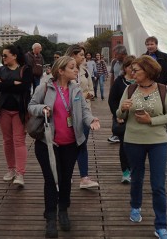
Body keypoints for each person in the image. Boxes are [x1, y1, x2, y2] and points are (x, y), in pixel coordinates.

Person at [28, 56, 100, 238]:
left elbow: (84, 110)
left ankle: (63, 211)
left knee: (66, 179)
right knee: (52, 180)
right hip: (48, 144)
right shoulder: (44, 87)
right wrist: (43, 108)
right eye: (72, 67)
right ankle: (51, 217)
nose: (76, 70)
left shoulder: (76, 89)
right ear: (60, 71)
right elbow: (31, 106)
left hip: (71, 144)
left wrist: (91, 120)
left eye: (76, 67)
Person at [117, 55, 167, 239]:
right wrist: (123, 109)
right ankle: (135, 205)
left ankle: (161, 226)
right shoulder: (129, 89)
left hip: (158, 141)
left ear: (148, 71)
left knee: (158, 185)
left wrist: (152, 121)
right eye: (132, 70)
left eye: (136, 70)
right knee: (137, 178)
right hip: (133, 140)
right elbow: (119, 115)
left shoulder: (162, 89)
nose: (132, 72)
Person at [0, 45, 33, 186]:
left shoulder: (25, 70)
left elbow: (25, 87)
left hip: (19, 111)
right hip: (3, 110)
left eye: (5, 55)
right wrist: (12, 83)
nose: (3, 58)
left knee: (19, 141)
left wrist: (4, 84)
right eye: (2, 55)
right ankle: (11, 169)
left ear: (14, 56)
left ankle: (20, 173)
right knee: (7, 141)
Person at [65, 44, 98, 189]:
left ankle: (84, 177)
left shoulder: (85, 71)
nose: (84, 58)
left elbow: (91, 90)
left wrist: (86, 94)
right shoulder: (63, 71)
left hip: (85, 112)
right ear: (73, 55)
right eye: (81, 55)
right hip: (67, 113)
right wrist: (81, 96)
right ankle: (66, 174)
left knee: (82, 144)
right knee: (67, 144)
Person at [108, 55, 135, 183]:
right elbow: (112, 100)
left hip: (139, 119)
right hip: (123, 119)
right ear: (125, 68)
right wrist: (117, 115)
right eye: (130, 67)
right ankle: (125, 171)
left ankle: (135, 168)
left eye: (135, 67)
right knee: (124, 146)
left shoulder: (142, 81)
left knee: (137, 146)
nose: (133, 69)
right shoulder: (119, 81)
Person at [108, 44, 128, 143]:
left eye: (116, 54)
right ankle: (116, 133)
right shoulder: (114, 62)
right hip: (117, 89)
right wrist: (111, 89)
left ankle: (126, 131)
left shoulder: (129, 62)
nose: (115, 56)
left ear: (123, 54)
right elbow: (112, 75)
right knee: (115, 109)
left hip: (127, 88)